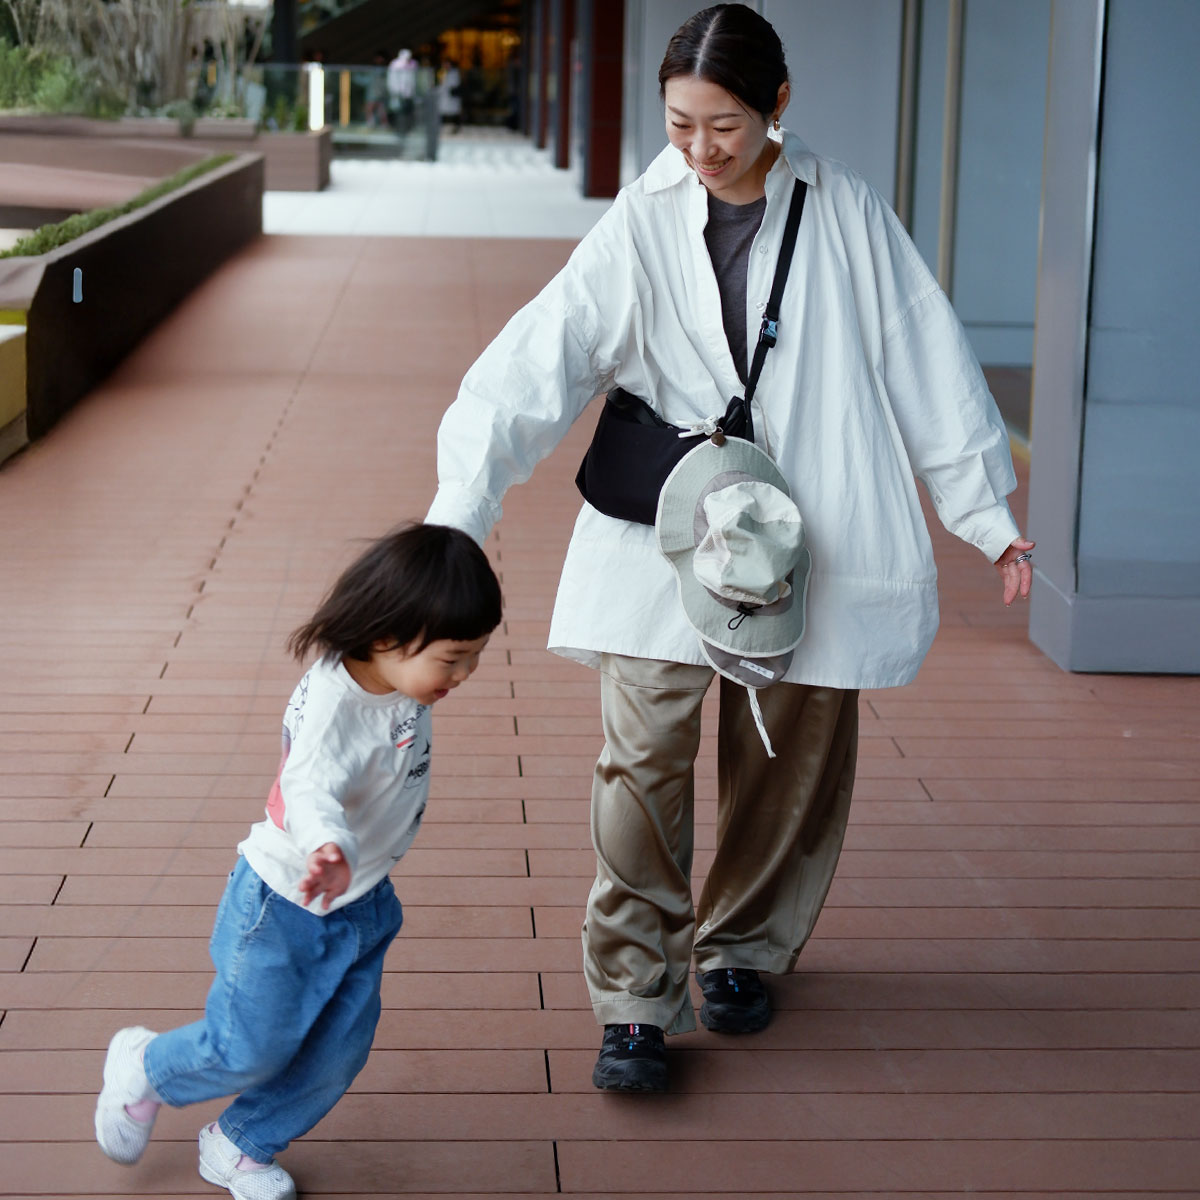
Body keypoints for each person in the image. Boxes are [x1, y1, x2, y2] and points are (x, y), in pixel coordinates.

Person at [425, 2, 1035, 1092]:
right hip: (669, 530)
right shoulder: (644, 217)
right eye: (679, 123)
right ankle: (632, 999)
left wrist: (984, 511)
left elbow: (925, 359)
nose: (701, 150)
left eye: (725, 125)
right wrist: (461, 504)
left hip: (813, 530)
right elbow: (544, 355)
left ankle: (744, 947)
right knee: (642, 753)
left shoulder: (845, 212)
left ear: (778, 108)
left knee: (787, 753)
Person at [93, 524, 502, 1197]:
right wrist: (327, 846)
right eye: (455, 658)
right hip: (287, 903)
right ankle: (147, 1064)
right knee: (249, 1046)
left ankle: (239, 1144)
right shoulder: (337, 710)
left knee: (338, 1048)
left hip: (363, 902)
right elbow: (305, 787)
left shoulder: (399, 673)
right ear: (385, 635)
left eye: (475, 656)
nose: (465, 675)